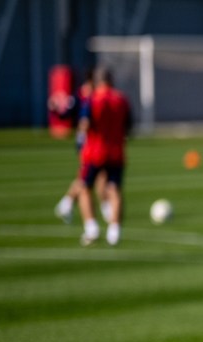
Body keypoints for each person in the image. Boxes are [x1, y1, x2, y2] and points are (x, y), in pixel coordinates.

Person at [76, 67, 132, 246]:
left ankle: (91, 228)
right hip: (116, 151)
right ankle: (114, 232)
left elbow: (84, 123)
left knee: (85, 188)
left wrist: (80, 142)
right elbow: (129, 126)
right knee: (114, 189)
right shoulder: (121, 99)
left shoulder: (93, 100)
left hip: (94, 152)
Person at [52, 69, 111, 225]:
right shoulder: (82, 96)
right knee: (90, 176)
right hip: (87, 142)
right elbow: (67, 114)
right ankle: (68, 203)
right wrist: (55, 109)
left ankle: (68, 203)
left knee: (96, 176)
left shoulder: (93, 96)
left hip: (94, 142)